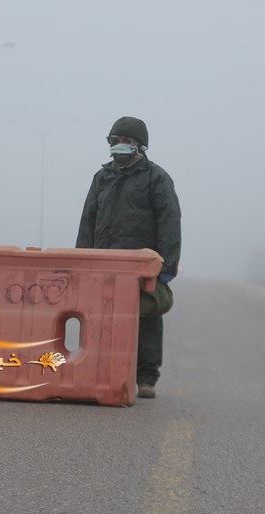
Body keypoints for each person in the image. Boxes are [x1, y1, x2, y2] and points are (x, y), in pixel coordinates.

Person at [76, 116, 182, 399]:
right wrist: (81, 262)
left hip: (141, 263)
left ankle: (146, 377)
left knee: (146, 318)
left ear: (140, 146)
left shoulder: (156, 177)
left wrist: (166, 266)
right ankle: (99, 370)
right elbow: (88, 221)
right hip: (104, 262)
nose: (119, 146)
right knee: (101, 318)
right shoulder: (102, 178)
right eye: (115, 141)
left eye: (126, 141)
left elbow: (170, 221)